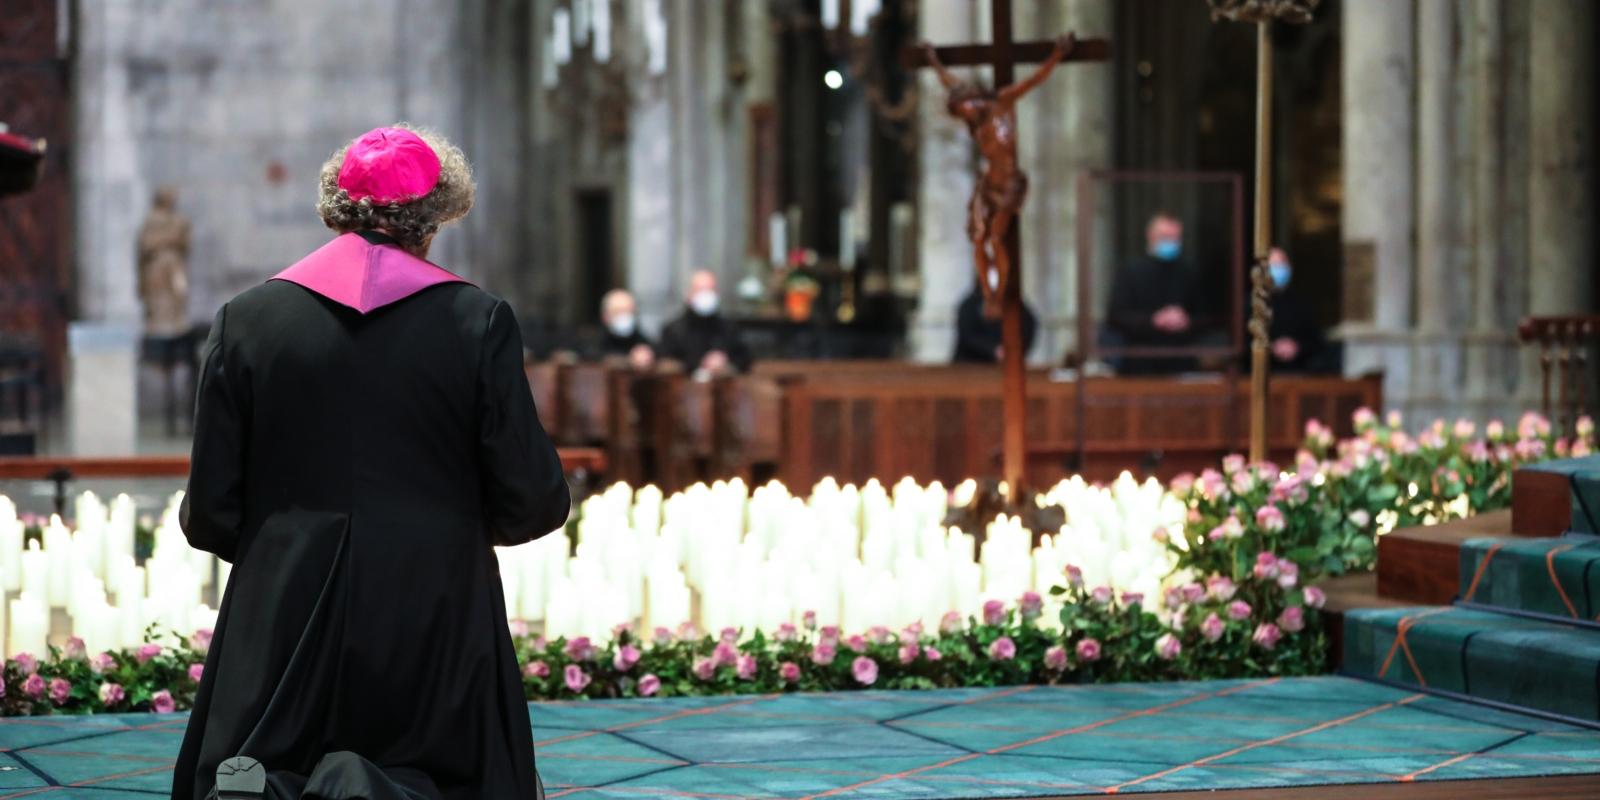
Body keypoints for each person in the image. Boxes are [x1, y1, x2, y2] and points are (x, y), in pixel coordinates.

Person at [173, 125, 568, 800]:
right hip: (436, 611)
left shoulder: (246, 320)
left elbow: (210, 511)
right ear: (438, 214)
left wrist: (284, 544)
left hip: (285, 606)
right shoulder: (478, 321)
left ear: (335, 207)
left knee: (257, 776)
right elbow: (532, 498)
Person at [1102, 212, 1212, 373]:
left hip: (1181, 359)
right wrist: (1153, 320)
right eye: (1165, 237)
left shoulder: (1189, 272)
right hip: (1140, 361)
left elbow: (1204, 315)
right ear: (1150, 236)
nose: (1170, 242)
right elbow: (1116, 316)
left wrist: (1185, 320)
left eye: (1175, 238)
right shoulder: (1131, 271)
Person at [659, 269, 751, 376]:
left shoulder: (729, 328)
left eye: (710, 289)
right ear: (689, 294)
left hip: (721, 387)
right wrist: (699, 364)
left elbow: (744, 360)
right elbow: (666, 363)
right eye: (700, 290)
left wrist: (725, 363)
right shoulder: (673, 329)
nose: (705, 295)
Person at [1262, 247, 1328, 372]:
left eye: (1282, 263)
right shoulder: (1253, 304)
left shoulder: (1302, 304)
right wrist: (1271, 347)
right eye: (1273, 265)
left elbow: (1318, 342)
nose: (1278, 269)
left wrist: (1297, 347)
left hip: (1299, 375)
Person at [953, 279, 1037, 364]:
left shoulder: (1017, 308)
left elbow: (1027, 328)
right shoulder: (970, 306)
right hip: (969, 364)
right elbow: (968, 336)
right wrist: (993, 349)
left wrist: (1012, 351)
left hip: (1003, 366)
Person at [595, 288, 655, 370]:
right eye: (618, 311)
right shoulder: (595, 339)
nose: (624, 316)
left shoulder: (640, 339)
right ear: (605, 316)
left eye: (629, 311)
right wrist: (629, 361)